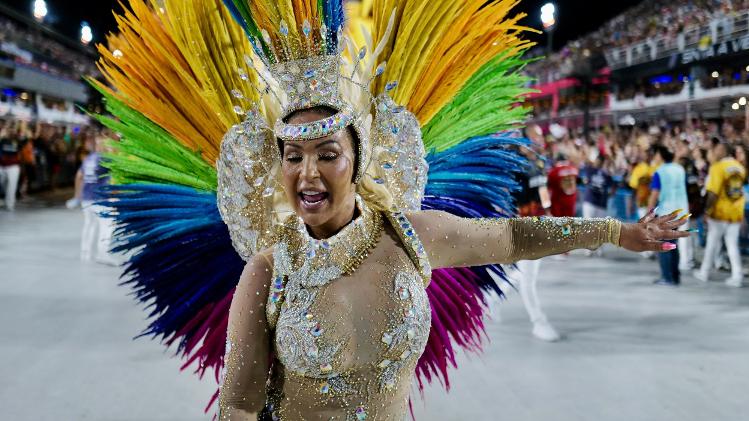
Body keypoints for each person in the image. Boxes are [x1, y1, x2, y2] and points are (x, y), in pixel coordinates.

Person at [90, 1, 691, 419]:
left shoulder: (412, 235)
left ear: (357, 157)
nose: (307, 172)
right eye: (292, 156)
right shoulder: (267, 272)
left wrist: (615, 229)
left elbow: (512, 237)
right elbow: (241, 403)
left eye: (326, 153)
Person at [508, 145, 560, 342]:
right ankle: (538, 322)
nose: (540, 141)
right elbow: (541, 201)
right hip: (527, 228)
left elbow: (541, 193)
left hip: (530, 225)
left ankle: (490, 299)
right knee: (528, 278)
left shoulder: (531, 165)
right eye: (535, 136)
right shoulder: (523, 167)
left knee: (524, 273)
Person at [694, 143, 747, 287]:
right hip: (735, 213)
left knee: (712, 243)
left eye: (716, 150)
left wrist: (707, 210)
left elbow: (713, 193)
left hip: (719, 213)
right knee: (732, 245)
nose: (714, 152)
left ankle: (704, 272)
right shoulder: (740, 167)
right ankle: (737, 275)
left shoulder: (717, 167)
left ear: (724, 151)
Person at [72, 136, 116, 265]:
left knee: (89, 225)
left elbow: (79, 176)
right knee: (107, 225)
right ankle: (103, 254)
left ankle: (85, 252)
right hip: (100, 198)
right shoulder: (105, 158)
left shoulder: (88, 159)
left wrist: (77, 195)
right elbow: (117, 165)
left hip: (86, 197)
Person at [648, 145, 689, 286]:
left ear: (661, 156)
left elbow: (654, 194)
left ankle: (667, 277)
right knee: (673, 244)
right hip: (680, 212)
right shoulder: (680, 169)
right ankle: (675, 276)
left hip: (666, 212)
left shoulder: (660, 172)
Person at [581, 154, 616, 255]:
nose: (598, 162)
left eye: (601, 161)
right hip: (589, 201)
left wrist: (610, 194)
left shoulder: (606, 174)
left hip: (601, 203)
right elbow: (583, 158)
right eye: (597, 160)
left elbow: (614, 185)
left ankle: (599, 248)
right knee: (587, 225)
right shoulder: (589, 169)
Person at [0, 122, 22, 211]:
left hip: (13, 166)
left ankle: (10, 204)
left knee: (11, 186)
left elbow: (28, 138)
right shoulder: (2, 139)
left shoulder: (17, 139)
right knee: (3, 184)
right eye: (9, 129)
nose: (11, 131)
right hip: (1, 166)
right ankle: (2, 198)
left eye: (12, 129)